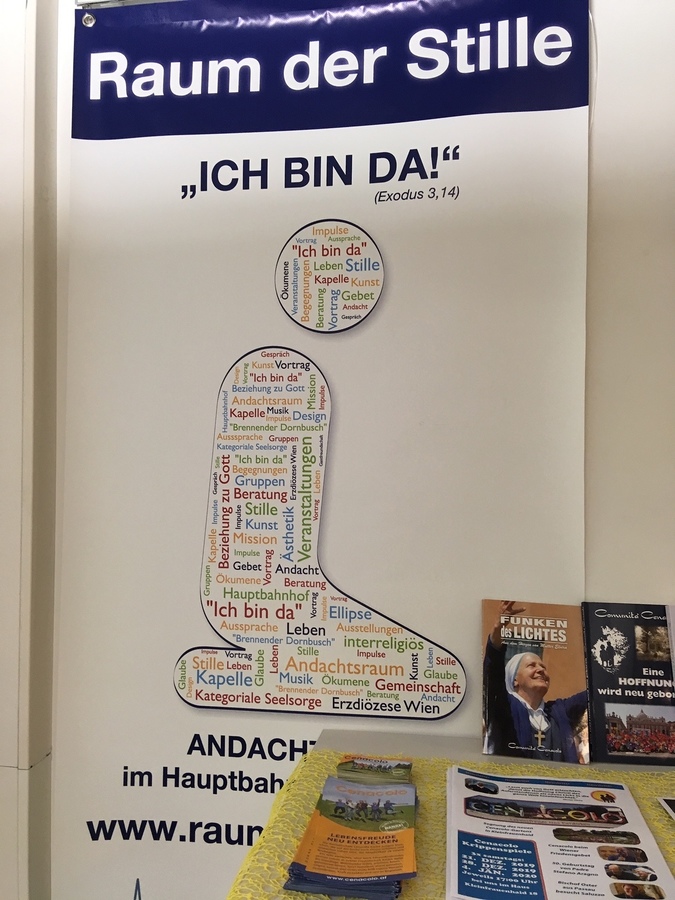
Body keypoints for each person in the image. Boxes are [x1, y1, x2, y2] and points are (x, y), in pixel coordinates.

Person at [484, 600, 588, 762]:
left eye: (543, 667)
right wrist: (498, 630)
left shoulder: (559, 711)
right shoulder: (504, 706)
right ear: (515, 679)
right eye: (531, 665)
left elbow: (594, 693)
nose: (540, 670)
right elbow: (493, 676)